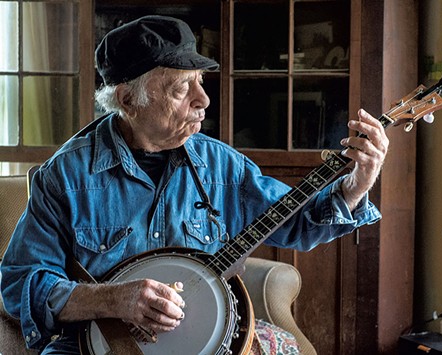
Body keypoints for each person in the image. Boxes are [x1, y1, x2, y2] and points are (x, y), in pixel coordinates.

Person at [0, 15, 388, 354]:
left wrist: (357, 183)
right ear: (128, 99)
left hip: (211, 340)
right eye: (181, 88)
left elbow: (299, 223)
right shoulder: (66, 175)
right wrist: (110, 299)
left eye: (200, 82)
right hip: (95, 343)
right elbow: (19, 286)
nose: (203, 99)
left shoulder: (220, 165)